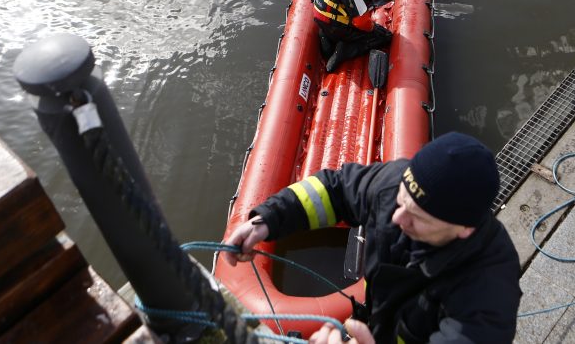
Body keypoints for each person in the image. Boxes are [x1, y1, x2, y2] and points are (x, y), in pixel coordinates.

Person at [222, 131, 522, 344]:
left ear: (465, 229)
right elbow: (334, 189)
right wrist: (269, 220)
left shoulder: (488, 290)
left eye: (417, 217)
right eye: (402, 201)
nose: (396, 218)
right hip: (375, 322)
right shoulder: (393, 186)